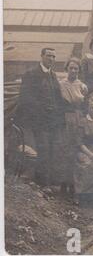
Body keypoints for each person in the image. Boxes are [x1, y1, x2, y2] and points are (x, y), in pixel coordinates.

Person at [15, 48, 67, 186]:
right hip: (38, 121)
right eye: (49, 55)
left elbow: (58, 98)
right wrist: (41, 110)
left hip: (52, 121)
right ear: (42, 56)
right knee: (42, 149)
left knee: (51, 150)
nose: (51, 59)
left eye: (54, 56)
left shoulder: (53, 75)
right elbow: (26, 99)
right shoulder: (31, 74)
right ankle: (43, 183)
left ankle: (46, 181)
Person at [59, 58, 88, 196]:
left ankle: (75, 185)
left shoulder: (82, 86)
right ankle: (64, 182)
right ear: (67, 69)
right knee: (65, 151)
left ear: (79, 70)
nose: (73, 71)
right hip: (65, 118)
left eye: (76, 68)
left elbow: (84, 104)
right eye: (71, 68)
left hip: (78, 118)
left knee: (77, 149)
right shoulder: (61, 84)